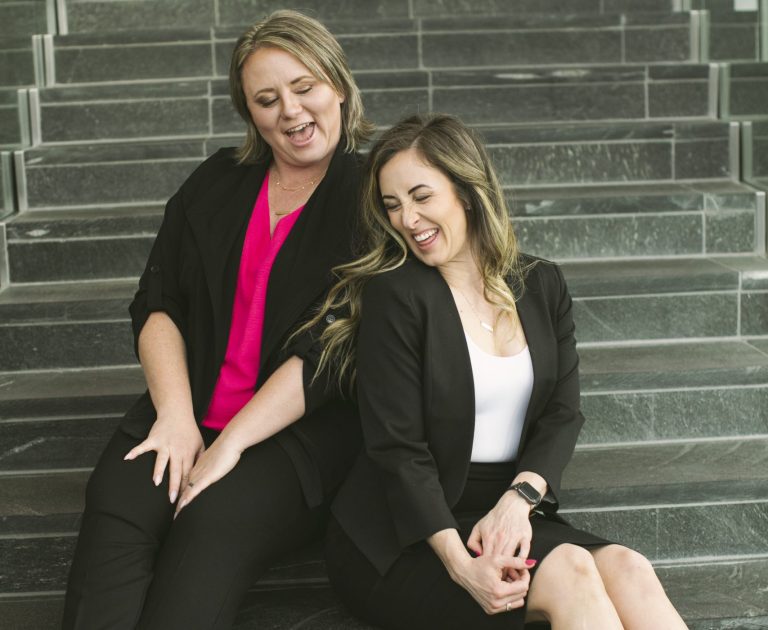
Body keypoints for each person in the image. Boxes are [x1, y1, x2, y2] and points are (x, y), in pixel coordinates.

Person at [308, 114, 687, 629]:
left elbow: (561, 413)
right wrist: (463, 568)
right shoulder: (397, 295)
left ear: (466, 190)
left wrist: (521, 498)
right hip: (403, 534)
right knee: (571, 571)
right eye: (392, 205)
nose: (406, 219)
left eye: (422, 196)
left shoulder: (541, 284)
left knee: (630, 568)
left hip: (502, 510)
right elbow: (398, 451)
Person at [62, 10, 373, 629]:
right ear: (250, 113)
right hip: (186, 406)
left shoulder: (371, 193)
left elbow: (332, 347)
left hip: (295, 437)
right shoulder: (217, 181)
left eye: (304, 86)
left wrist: (229, 444)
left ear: (338, 84)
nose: (290, 110)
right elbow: (158, 303)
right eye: (267, 98)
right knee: (118, 503)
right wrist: (176, 420)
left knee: (211, 519)